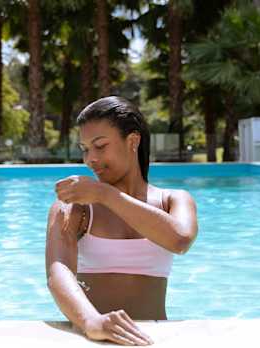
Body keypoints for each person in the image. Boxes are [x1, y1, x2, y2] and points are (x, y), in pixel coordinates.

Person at [45, 96, 199, 346]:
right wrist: (91, 322)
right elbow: (57, 271)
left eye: (100, 146)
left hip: (153, 338)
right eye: (85, 149)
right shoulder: (76, 205)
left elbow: (179, 240)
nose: (90, 159)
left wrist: (105, 195)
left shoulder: (173, 200)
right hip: (92, 337)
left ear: (133, 141)